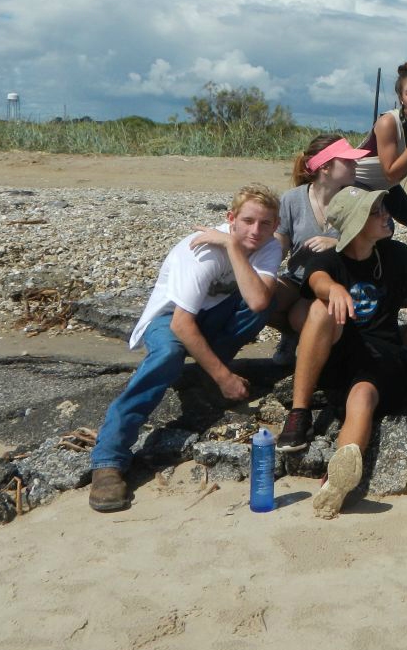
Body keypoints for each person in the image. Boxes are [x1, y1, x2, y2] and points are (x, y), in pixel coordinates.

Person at [89, 185, 282, 512]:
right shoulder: (202, 251)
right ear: (230, 218)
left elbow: (259, 300)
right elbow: (181, 323)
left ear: (275, 225)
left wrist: (233, 248)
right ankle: (109, 458)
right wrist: (225, 377)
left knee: (261, 300)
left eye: (265, 224)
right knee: (168, 355)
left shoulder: (267, 245)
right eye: (247, 221)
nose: (256, 231)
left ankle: (205, 375)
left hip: (213, 314)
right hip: (169, 317)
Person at [274, 185, 407, 518]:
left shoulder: (396, 255)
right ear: (355, 224)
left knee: (363, 398)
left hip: (379, 355)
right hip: (338, 350)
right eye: (376, 212)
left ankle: (335, 479)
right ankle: (299, 412)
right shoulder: (329, 260)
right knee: (319, 310)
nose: (387, 215)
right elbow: (317, 279)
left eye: (384, 209)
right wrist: (334, 289)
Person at [270, 134, 368, 363]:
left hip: (337, 283)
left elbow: (379, 238)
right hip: (297, 280)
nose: (356, 164)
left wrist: (338, 244)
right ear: (325, 166)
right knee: (259, 295)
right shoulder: (292, 199)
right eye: (348, 160)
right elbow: (280, 245)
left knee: (303, 317)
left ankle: (311, 343)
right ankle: (293, 337)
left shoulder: (357, 197)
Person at [354, 59, 407, 229]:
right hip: (358, 182)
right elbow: (390, 173)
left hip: (387, 186)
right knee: (383, 229)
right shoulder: (388, 122)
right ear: (401, 98)